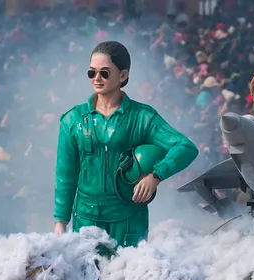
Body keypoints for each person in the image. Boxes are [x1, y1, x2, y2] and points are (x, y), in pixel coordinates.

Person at [54, 41, 198, 248]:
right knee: (86, 278)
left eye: (105, 73)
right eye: (91, 73)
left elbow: (186, 147)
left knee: (128, 276)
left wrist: (156, 176)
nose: (97, 79)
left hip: (129, 218)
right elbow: (65, 174)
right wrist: (61, 221)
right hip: (86, 218)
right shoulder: (73, 120)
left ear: (123, 75)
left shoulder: (142, 117)